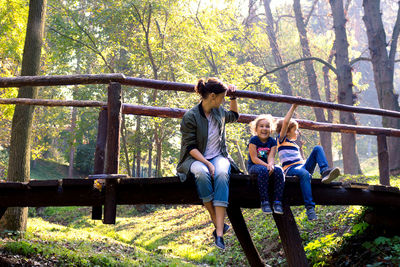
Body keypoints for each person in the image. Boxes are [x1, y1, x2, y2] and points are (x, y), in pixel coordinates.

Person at [177, 77, 240, 250]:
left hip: (219, 156)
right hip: (194, 159)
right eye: (223, 97)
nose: (224, 100)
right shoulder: (191, 116)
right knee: (202, 173)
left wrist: (234, 97)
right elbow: (190, 147)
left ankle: (219, 233)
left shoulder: (218, 112)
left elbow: (234, 116)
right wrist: (207, 163)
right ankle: (218, 223)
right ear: (212, 96)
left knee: (221, 174)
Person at [276, 104, 340, 220]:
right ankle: (310, 209)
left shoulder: (294, 144)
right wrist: (294, 106)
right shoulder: (281, 140)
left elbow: (301, 162)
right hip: (291, 170)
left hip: (302, 167)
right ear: (286, 131)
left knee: (317, 148)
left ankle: (325, 172)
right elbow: (285, 122)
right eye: (295, 130)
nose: (298, 132)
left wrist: (306, 163)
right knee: (304, 174)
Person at [248, 114, 285, 215]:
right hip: (254, 166)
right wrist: (266, 166)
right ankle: (264, 201)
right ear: (256, 129)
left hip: (267, 165)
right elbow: (254, 158)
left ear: (271, 129)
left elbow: (271, 156)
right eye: (261, 126)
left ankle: (278, 201)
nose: (264, 128)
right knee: (263, 170)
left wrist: (271, 165)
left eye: (267, 126)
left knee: (279, 170)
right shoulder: (254, 140)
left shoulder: (272, 141)